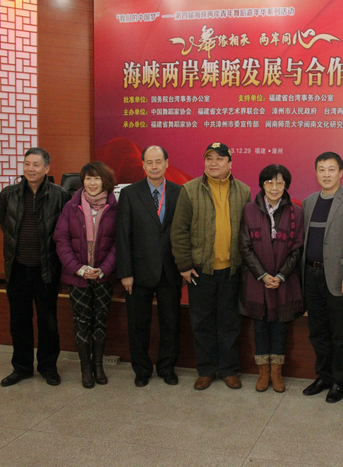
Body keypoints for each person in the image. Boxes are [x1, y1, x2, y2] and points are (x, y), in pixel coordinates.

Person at [171, 142, 251, 390]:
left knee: (229, 323)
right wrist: (184, 265)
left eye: (219, 158)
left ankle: (228, 370)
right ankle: (206, 370)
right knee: (202, 323)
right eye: (209, 158)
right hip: (200, 270)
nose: (213, 163)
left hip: (231, 270)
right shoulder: (190, 189)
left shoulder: (244, 191)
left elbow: (249, 232)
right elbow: (179, 230)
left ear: (230, 163)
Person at [0, 147, 71, 387]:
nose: (30, 169)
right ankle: (21, 367)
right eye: (27, 163)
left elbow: (65, 230)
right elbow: (4, 223)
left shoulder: (60, 195)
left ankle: (48, 367)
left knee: (48, 321)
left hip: (46, 268)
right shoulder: (8, 194)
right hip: (17, 267)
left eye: (36, 164)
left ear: (47, 168)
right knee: (19, 321)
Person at [301, 152, 343, 403]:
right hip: (312, 275)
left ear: (340, 172)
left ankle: (339, 381)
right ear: (316, 172)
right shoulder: (309, 201)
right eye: (321, 169)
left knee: (340, 334)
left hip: (341, 278)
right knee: (317, 332)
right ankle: (324, 376)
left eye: (331, 169)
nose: (326, 174)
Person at [116, 145, 183, 387]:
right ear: (143, 165)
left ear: (166, 163)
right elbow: (123, 235)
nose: (154, 166)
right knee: (138, 324)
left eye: (158, 161)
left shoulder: (179, 192)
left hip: (170, 269)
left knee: (171, 324)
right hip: (138, 271)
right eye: (149, 162)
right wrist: (125, 272)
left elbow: (184, 231)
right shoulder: (130, 193)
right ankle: (141, 369)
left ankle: (167, 367)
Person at [238, 164, 304, 393]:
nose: (274, 187)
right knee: (260, 327)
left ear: (286, 185)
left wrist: (281, 275)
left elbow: (297, 248)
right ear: (262, 185)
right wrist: (263, 275)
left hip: (284, 281)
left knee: (279, 327)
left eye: (279, 182)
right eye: (269, 182)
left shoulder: (296, 212)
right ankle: (263, 372)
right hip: (257, 281)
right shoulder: (249, 210)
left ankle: (276, 372)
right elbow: (245, 247)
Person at [54, 162, 118, 389]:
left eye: (96, 178)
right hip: (77, 276)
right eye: (88, 178)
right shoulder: (71, 206)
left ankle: (98, 366)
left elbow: (119, 243)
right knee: (81, 322)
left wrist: (103, 269)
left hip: (103, 275)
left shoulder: (115, 207)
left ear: (105, 181)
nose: (92, 183)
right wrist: (78, 268)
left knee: (100, 321)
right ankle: (85, 369)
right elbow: (61, 239)